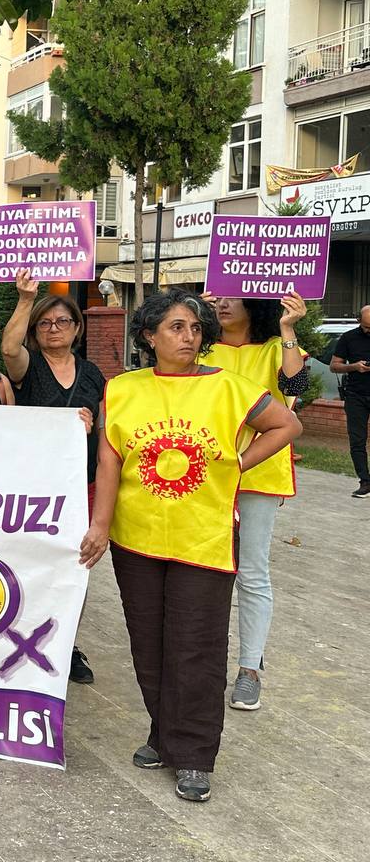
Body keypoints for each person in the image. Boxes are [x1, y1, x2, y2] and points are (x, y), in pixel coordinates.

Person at [80, 289, 301, 803]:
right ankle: (163, 735)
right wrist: (100, 526)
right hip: (137, 539)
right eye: (176, 327)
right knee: (149, 643)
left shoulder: (229, 388)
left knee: (196, 647)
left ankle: (196, 755)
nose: (188, 336)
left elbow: (287, 424)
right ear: (148, 336)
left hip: (204, 539)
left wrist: (237, 464)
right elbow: (110, 460)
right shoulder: (123, 388)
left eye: (196, 328)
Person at [201, 292, 310, 710]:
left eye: (234, 297)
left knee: (252, 572)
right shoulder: (202, 346)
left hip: (259, 473)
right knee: (203, 569)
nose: (223, 304)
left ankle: (249, 669)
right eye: (218, 296)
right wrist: (192, 313)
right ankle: (200, 663)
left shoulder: (275, 347)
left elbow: (296, 387)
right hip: (203, 472)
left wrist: (288, 328)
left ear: (255, 303)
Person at [1, 271, 105, 684]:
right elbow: (9, 349)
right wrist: (26, 300)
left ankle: (66, 644)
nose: (54, 329)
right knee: (31, 564)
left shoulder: (93, 374)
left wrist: (90, 426)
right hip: (34, 486)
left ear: (77, 328)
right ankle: (20, 639)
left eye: (63, 321)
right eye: (44, 323)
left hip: (81, 486)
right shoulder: (29, 367)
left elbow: (105, 431)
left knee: (73, 567)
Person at [331, 304, 370, 498]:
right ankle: (365, 481)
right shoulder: (348, 338)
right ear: (359, 321)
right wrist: (354, 366)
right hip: (356, 396)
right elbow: (334, 366)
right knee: (357, 440)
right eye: (367, 327)